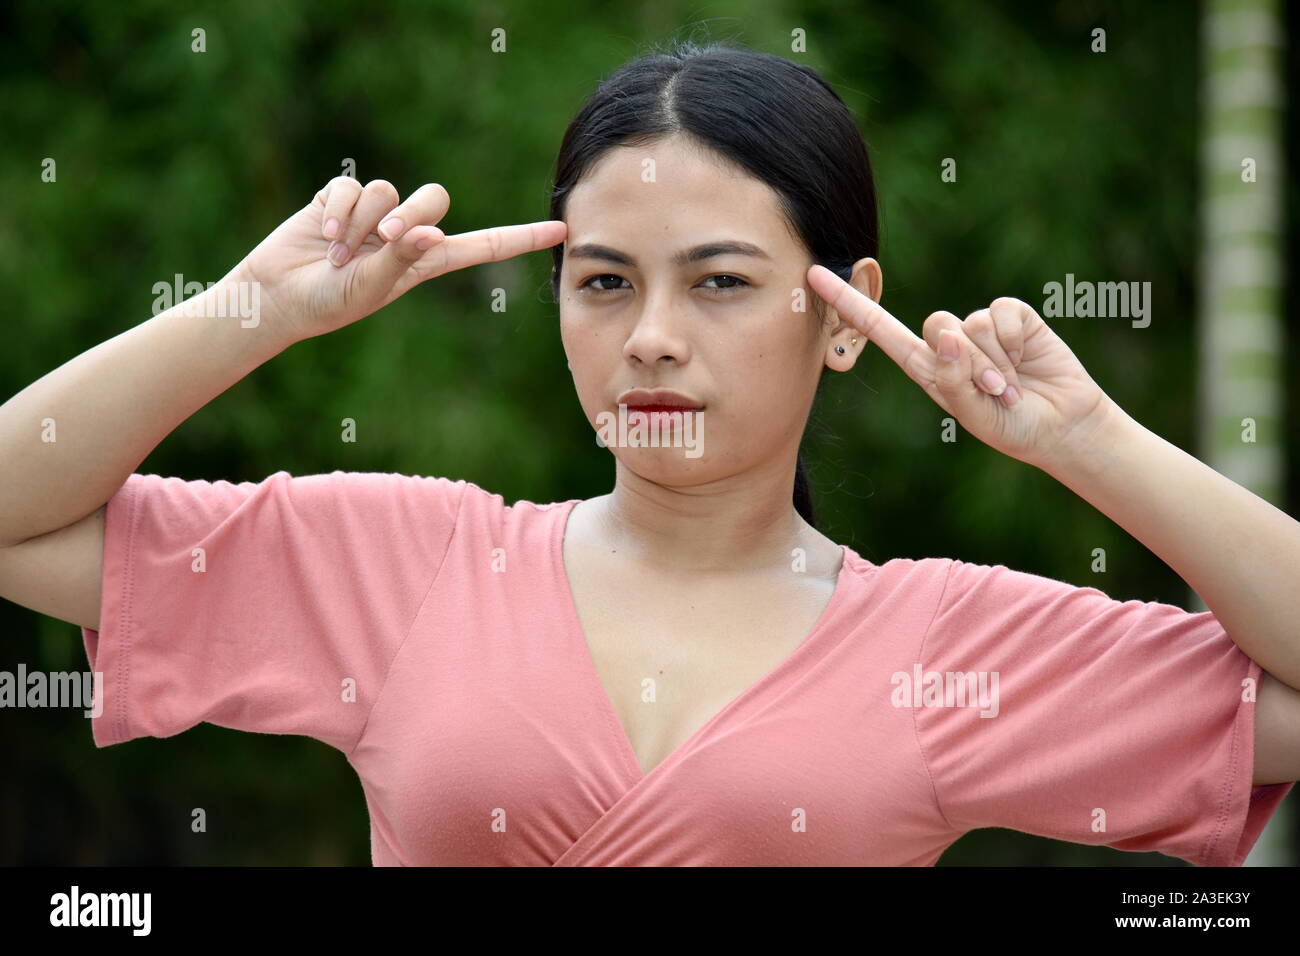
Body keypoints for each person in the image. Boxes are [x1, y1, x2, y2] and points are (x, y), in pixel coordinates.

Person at [1, 40, 1297, 866]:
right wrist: (254, 311)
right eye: (605, 281)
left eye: (722, 283)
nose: (654, 341)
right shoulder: (410, 566)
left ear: (846, 316)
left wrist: (1086, 445)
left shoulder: (946, 650)